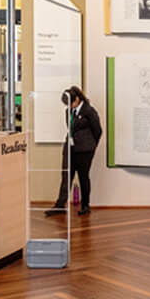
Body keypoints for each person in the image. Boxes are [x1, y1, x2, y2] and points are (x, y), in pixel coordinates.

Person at [46, 86, 101, 217]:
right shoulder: (68, 111)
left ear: (77, 99)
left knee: (83, 177)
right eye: (67, 105)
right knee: (66, 176)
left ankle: (85, 206)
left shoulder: (89, 111)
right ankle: (60, 206)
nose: (69, 107)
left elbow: (98, 131)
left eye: (71, 103)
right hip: (70, 148)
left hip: (85, 150)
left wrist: (91, 146)